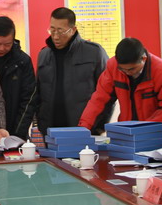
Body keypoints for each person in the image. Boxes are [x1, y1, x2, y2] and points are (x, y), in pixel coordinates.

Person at [79, 37, 162, 138]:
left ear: (143, 59)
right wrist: (84, 128)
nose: (127, 72)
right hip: (126, 133)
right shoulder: (113, 66)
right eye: (122, 69)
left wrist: (145, 130)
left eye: (132, 69)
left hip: (158, 134)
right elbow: (99, 99)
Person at [36, 7, 112, 135]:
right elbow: (38, 94)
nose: (55, 36)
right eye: (52, 30)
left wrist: (99, 127)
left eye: (61, 31)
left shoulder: (94, 53)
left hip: (85, 129)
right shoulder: (44, 55)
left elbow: (108, 93)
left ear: (73, 30)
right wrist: (40, 123)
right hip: (50, 131)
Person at [0, 16, 37, 139]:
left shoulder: (22, 61)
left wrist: (16, 135)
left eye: (7, 44)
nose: (2, 48)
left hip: (12, 130)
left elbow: (28, 101)